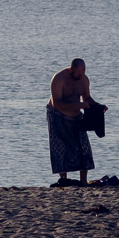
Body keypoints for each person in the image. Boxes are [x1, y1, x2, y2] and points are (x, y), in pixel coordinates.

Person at [46, 58, 97, 186]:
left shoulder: (84, 80)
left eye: (83, 73)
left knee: (84, 146)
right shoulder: (58, 79)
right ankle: (64, 179)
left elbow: (87, 98)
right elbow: (56, 103)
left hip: (76, 116)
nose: (80, 77)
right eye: (78, 74)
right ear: (71, 69)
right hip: (57, 115)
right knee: (61, 147)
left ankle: (83, 181)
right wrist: (80, 105)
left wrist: (98, 106)